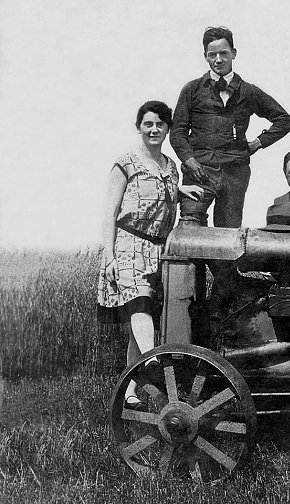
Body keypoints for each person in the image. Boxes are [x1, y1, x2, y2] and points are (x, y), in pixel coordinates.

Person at [97, 101, 202, 411]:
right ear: (138, 127)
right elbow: (110, 211)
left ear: (168, 128)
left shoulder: (170, 167)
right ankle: (156, 365)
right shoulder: (125, 163)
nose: (154, 130)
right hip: (128, 244)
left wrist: (184, 192)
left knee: (142, 324)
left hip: (159, 250)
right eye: (148, 124)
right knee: (139, 307)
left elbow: (160, 195)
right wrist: (109, 254)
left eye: (159, 124)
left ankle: (130, 393)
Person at [170, 25, 290, 228]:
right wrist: (190, 161)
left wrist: (258, 142)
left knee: (228, 233)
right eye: (212, 55)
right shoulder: (191, 90)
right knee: (189, 226)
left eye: (223, 53)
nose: (218, 59)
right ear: (206, 57)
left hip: (235, 173)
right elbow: (177, 133)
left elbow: (284, 120)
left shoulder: (249, 91)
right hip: (199, 171)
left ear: (234, 53)